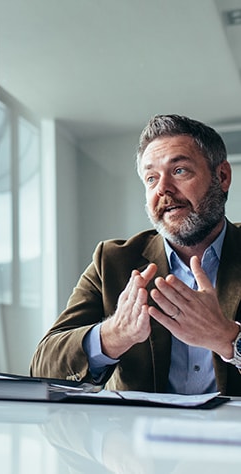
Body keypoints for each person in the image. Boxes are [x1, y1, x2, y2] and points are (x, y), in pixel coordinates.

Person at [30, 114, 241, 395]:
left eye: (179, 171)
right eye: (151, 178)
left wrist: (228, 339)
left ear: (222, 177)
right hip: (139, 436)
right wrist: (114, 335)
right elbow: (43, 366)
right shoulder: (112, 261)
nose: (162, 189)